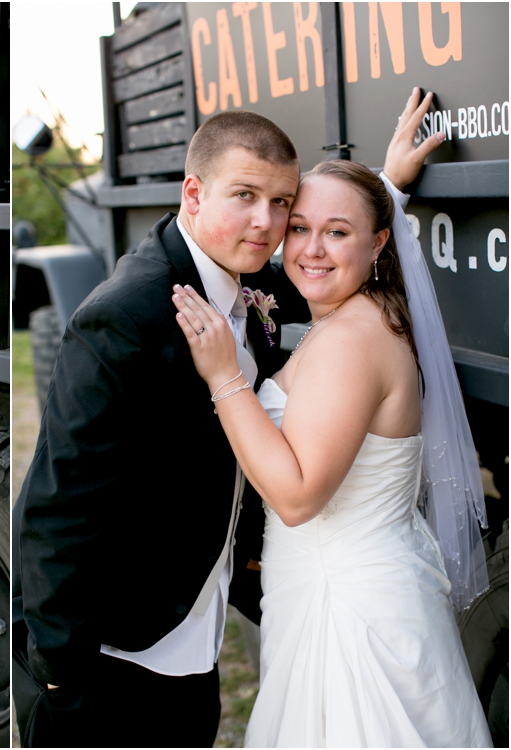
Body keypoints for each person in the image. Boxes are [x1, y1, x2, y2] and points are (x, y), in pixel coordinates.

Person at [171, 89, 492, 747]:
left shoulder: (351, 340)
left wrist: (225, 376)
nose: (310, 250)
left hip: (349, 613)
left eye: (337, 232)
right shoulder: (360, 312)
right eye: (299, 229)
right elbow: (337, 244)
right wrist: (389, 186)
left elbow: (295, 498)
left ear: (378, 243)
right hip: (344, 588)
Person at [12, 110, 312, 747]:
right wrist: (61, 677)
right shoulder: (126, 316)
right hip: (118, 654)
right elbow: (58, 503)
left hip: (195, 625)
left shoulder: (254, 284)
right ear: (194, 192)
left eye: (282, 201)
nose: (267, 221)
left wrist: (385, 192)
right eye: (246, 195)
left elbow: (332, 264)